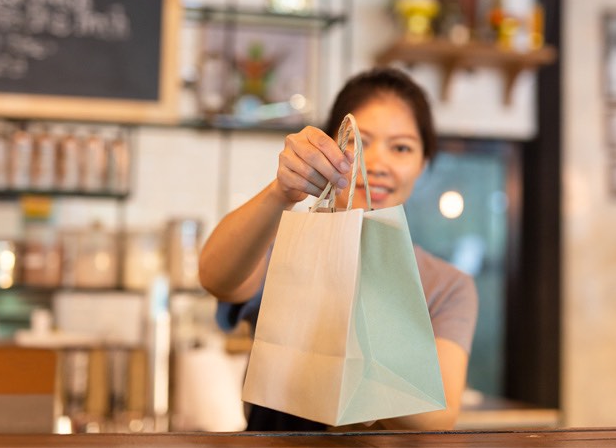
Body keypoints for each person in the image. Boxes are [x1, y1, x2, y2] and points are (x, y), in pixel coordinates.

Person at [198, 67, 478, 431]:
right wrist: (281, 192)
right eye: (361, 142)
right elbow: (216, 278)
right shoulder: (290, 247)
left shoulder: (446, 285)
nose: (376, 164)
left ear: (423, 165)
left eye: (402, 147)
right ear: (329, 147)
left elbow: (435, 416)